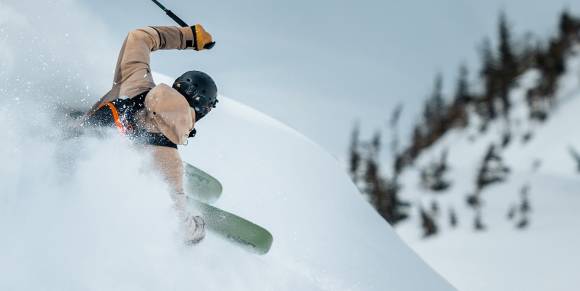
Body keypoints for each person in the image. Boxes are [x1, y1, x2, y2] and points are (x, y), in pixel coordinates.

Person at [81, 24, 218, 244]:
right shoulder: (168, 160)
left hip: (66, 140)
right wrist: (198, 226)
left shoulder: (135, 82)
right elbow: (179, 227)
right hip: (80, 194)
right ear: (201, 110)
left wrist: (190, 37)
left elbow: (141, 37)